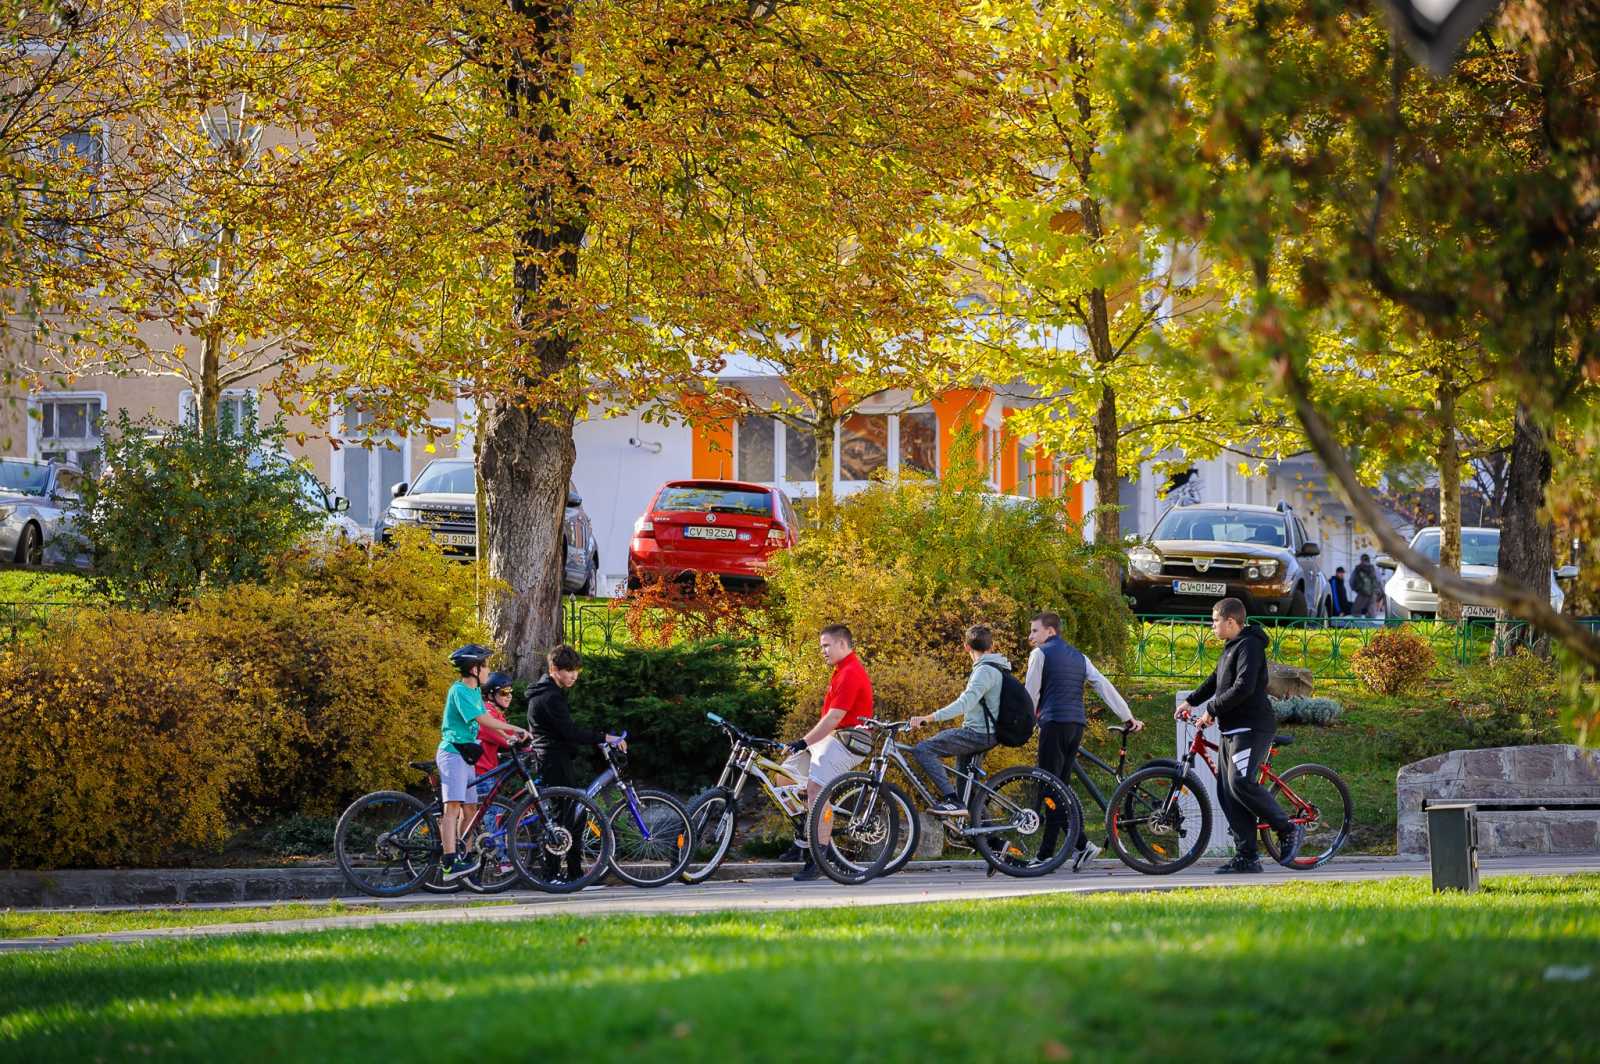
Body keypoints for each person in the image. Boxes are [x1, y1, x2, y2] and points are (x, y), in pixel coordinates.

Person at [1174, 598, 1305, 873]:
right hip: (1231, 729)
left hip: (1252, 727)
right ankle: (1248, 857)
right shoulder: (1231, 647)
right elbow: (1216, 679)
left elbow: (1244, 687)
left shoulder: (1250, 645)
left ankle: (1287, 829)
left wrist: (1211, 710)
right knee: (1228, 794)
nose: (1212, 626)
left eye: (1215, 620)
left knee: (1240, 783)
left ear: (1231, 621)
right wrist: (1192, 701)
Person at [1024, 611, 1145, 872]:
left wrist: (1025, 724)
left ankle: (1052, 854)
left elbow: (1030, 694)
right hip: (1075, 726)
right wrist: (1127, 716)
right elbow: (1103, 686)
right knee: (1060, 790)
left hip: (1053, 724)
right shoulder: (1080, 657)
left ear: (1050, 631)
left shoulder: (1040, 654)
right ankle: (1075, 847)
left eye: (1035, 630)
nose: (1030, 636)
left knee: (1049, 788)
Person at [782, 624, 874, 882]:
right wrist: (803, 745)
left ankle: (820, 856)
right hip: (832, 739)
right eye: (821, 646)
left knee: (816, 789)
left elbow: (835, 717)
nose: (822, 650)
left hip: (851, 740)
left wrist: (803, 741)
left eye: (826, 645)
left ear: (843, 644)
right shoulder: (839, 671)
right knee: (783, 777)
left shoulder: (851, 672)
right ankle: (805, 837)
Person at [526, 644, 625, 882]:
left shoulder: (548, 692)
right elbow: (570, 732)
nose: (574, 675)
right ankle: (554, 875)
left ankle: (573, 874)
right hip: (552, 760)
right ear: (554, 669)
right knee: (562, 820)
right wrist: (604, 737)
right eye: (568, 670)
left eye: (576, 670)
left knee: (573, 816)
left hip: (554, 759)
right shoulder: (549, 697)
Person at [437, 645, 528, 882]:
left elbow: (485, 726)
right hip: (452, 753)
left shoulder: (475, 692)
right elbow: (483, 719)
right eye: (485, 665)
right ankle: (449, 861)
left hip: (466, 757)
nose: (488, 670)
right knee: (452, 809)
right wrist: (514, 728)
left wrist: (509, 738)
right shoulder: (459, 690)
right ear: (474, 669)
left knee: (470, 810)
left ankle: (463, 855)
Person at [907, 625, 1009, 817]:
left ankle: (951, 800)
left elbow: (964, 704)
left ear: (966, 647)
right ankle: (994, 843)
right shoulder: (997, 667)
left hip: (978, 734)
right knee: (967, 793)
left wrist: (929, 718)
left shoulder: (984, 671)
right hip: (988, 733)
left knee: (924, 749)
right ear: (992, 645)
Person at [1351, 554, 1381, 618]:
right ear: (1369, 560)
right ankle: (1371, 627)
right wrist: (1378, 593)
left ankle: (1356, 627)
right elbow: (1379, 581)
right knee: (1372, 614)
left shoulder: (1357, 568)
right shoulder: (1374, 569)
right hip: (1373, 593)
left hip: (1362, 593)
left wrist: (1356, 589)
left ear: (1361, 560)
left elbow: (1351, 580)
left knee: (1355, 612)